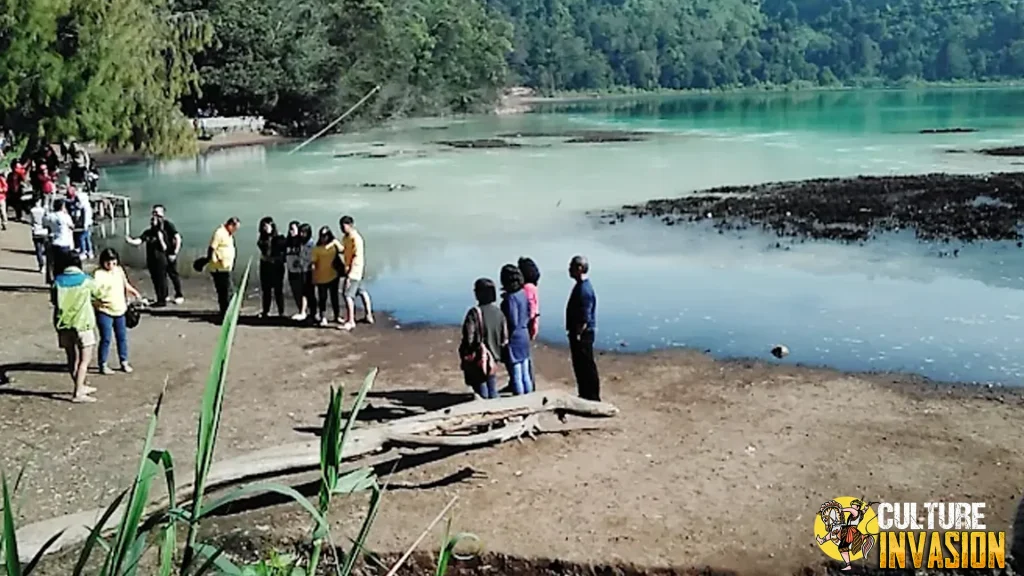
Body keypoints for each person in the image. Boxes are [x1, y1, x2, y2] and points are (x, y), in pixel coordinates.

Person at [51, 252, 102, 403]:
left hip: (63, 325)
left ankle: (79, 385)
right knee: (84, 360)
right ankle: (78, 392)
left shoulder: (57, 282)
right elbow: (99, 293)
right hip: (83, 324)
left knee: (71, 358)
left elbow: (54, 301)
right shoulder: (86, 280)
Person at [93, 248, 141, 375]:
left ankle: (124, 361)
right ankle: (103, 364)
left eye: (113, 262)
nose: (111, 265)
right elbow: (94, 293)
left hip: (120, 309)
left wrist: (134, 292)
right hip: (104, 310)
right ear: (103, 262)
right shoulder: (98, 274)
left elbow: (125, 284)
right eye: (108, 262)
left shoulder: (119, 270)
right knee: (106, 338)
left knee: (122, 337)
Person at [459, 278, 507, 399]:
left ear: (479, 294)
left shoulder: (474, 313)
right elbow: (504, 337)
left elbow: (469, 337)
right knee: (492, 386)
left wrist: (466, 351)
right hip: (494, 357)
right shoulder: (499, 313)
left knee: (481, 390)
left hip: (478, 359)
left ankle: (485, 409)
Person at [566, 255, 600, 401]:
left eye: (572, 267)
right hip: (581, 333)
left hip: (583, 334)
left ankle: (591, 395)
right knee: (581, 365)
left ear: (580, 268)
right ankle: (585, 393)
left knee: (585, 364)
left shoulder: (584, 290)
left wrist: (578, 334)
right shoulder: (581, 286)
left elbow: (584, 317)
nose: (569, 270)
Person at [126, 213, 175, 307]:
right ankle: (159, 297)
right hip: (151, 259)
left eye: (154, 221)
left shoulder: (161, 233)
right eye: (151, 220)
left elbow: (165, 248)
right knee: (155, 279)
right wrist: (131, 241)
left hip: (161, 260)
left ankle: (163, 299)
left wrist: (160, 239)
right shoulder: (147, 232)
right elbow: (140, 240)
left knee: (162, 280)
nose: (152, 222)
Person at [500, 264, 534, 395]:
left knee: (516, 374)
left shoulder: (511, 298)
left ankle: (520, 401)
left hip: (514, 337)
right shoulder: (522, 294)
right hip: (524, 333)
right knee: (525, 371)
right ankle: (530, 398)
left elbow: (512, 321)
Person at [338, 215, 374, 331]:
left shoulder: (356, 239)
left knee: (347, 295)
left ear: (350, 225)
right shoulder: (346, 238)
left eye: (344, 226)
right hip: (356, 270)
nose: (342, 229)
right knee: (362, 291)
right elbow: (345, 250)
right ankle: (368, 315)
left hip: (355, 270)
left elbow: (356, 256)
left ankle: (351, 321)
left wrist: (349, 274)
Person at [206, 217, 240, 321]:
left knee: (226, 291)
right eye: (235, 228)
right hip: (219, 268)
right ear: (231, 225)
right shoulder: (220, 233)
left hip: (225, 268)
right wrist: (212, 260)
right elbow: (211, 248)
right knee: (226, 291)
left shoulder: (228, 234)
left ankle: (225, 311)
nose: (236, 231)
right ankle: (226, 313)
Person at [151, 205, 184, 304]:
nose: (155, 215)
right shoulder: (154, 226)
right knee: (162, 276)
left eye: (157, 213)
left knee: (173, 274)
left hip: (170, 253)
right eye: (154, 213)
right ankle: (164, 295)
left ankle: (179, 294)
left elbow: (178, 238)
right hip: (161, 256)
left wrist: (175, 252)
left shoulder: (168, 225)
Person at [311, 226, 342, 326]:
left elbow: (342, 250)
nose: (323, 238)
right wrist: (314, 277)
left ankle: (337, 316)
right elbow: (313, 264)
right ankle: (323, 317)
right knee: (322, 298)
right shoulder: (317, 249)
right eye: (322, 236)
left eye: (325, 236)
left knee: (334, 297)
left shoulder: (333, 245)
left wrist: (335, 242)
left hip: (333, 275)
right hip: (321, 277)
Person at [257, 216, 287, 317]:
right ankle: (266, 311)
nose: (265, 228)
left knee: (278, 290)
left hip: (276, 267)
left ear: (272, 226)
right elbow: (263, 249)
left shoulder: (279, 238)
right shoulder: (262, 238)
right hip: (265, 266)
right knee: (266, 290)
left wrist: (277, 259)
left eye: (266, 226)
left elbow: (284, 253)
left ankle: (281, 312)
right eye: (263, 226)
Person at [285, 221, 315, 321]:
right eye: (290, 229)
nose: (291, 231)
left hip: (302, 271)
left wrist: (300, 263)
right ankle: (302, 311)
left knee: (304, 292)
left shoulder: (302, 242)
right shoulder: (288, 241)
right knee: (296, 292)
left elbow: (307, 255)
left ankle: (304, 312)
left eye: (293, 229)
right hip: (291, 270)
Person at [43, 199, 75, 284]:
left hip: (54, 242)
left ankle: (53, 281)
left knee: (53, 264)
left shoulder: (50, 216)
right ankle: (62, 281)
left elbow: (44, 224)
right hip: (64, 243)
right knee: (64, 265)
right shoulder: (66, 216)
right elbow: (72, 226)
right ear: (62, 207)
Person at [28, 198, 47, 272]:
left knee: (38, 250)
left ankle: (41, 265)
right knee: (45, 250)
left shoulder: (32, 211)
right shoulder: (43, 210)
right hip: (44, 231)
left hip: (36, 231)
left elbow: (31, 221)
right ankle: (46, 264)